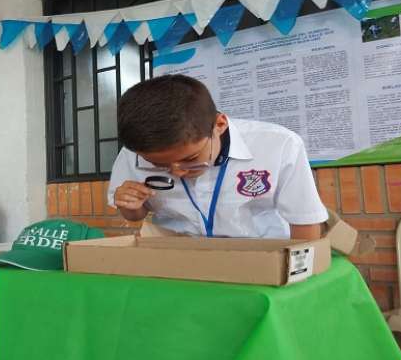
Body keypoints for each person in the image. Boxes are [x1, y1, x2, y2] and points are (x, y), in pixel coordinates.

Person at [108, 75, 327, 240]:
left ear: (220, 124)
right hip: (177, 258)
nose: (177, 172)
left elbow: (305, 222)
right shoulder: (134, 152)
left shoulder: (279, 145)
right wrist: (130, 205)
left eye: (190, 158)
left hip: (261, 257)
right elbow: (134, 216)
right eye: (158, 165)